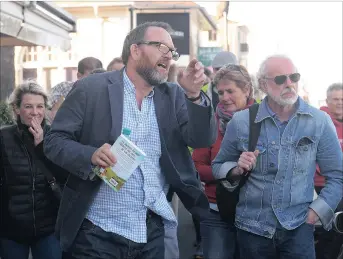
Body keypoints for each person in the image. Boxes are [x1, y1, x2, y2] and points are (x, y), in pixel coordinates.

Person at [43, 21, 216, 259]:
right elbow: (53, 141)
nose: (170, 56)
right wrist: (89, 155)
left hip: (151, 231)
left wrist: (195, 95)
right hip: (97, 231)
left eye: (172, 52)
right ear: (135, 51)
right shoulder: (91, 88)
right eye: (162, 47)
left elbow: (201, 139)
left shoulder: (173, 96)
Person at [212, 55, 343, 259]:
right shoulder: (242, 121)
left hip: (299, 229)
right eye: (281, 79)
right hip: (252, 229)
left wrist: (316, 213)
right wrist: (236, 169)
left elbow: (338, 176)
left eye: (294, 77)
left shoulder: (319, 121)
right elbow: (218, 165)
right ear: (263, 84)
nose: (289, 84)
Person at [193, 64, 255, 259]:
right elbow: (196, 167)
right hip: (216, 210)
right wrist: (228, 171)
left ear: (246, 90)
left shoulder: (262, 121)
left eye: (230, 91)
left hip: (255, 212)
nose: (224, 97)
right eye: (220, 92)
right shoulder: (211, 123)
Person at [0, 81, 68, 259]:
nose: (35, 112)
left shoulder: (55, 136)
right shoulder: (4, 137)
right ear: (16, 109)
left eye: (40, 106)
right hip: (12, 230)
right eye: (28, 106)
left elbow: (64, 176)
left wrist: (42, 147)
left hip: (48, 229)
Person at [314, 82, 343, 259]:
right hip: (323, 185)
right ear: (327, 101)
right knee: (333, 230)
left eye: (342, 99)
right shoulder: (319, 122)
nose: (340, 102)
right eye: (336, 99)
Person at [48, 57, 103, 122]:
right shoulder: (64, 88)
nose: (94, 82)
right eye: (90, 78)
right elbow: (46, 110)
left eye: (98, 78)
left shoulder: (105, 93)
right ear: (79, 76)